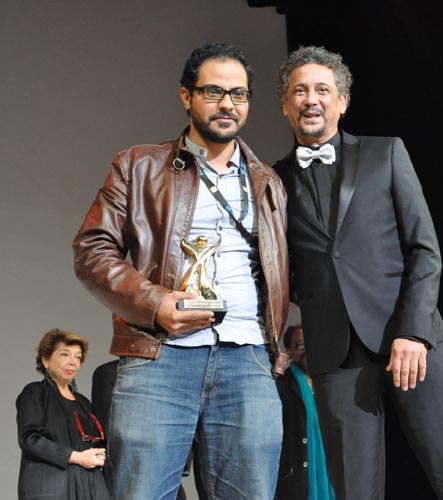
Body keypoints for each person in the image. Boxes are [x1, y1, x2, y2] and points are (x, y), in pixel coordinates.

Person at [273, 46, 443, 500]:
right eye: (300, 91)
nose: (311, 99)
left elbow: (425, 250)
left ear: (342, 101)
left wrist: (413, 332)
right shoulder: (273, 180)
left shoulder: (386, 153)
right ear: (285, 105)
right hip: (336, 355)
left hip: (412, 338)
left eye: (322, 89)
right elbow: (283, 271)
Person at [73, 42, 289, 500]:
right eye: (213, 91)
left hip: (248, 360)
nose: (228, 104)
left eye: (239, 94)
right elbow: (92, 250)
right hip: (160, 356)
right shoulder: (138, 165)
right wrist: (155, 304)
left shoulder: (268, 182)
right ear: (186, 96)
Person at [15, 328, 110, 500]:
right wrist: (76, 457)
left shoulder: (84, 403)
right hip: (51, 486)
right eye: (65, 355)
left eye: (78, 357)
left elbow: (96, 441)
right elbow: (29, 439)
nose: (73, 362)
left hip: (90, 486)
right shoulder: (35, 392)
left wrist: (101, 454)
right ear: (45, 360)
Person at [90, 360, 200, 500]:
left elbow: (186, 418)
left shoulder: (169, 373)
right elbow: (107, 421)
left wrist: (182, 459)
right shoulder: (109, 372)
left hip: (167, 465)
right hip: (130, 466)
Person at [276, 324, 335, 500]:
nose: (308, 349)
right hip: (296, 474)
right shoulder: (281, 385)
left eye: (312, 343)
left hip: (332, 470)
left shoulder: (332, 382)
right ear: (289, 351)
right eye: (301, 345)